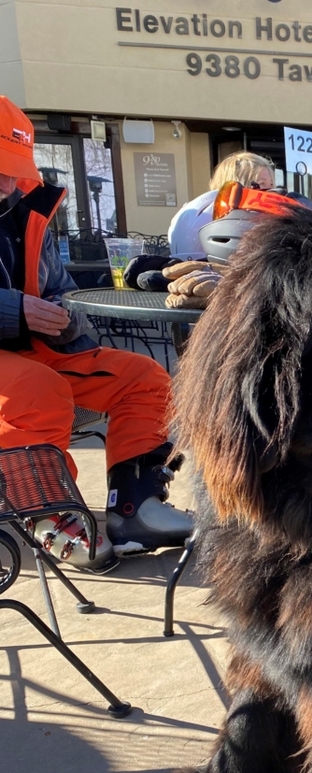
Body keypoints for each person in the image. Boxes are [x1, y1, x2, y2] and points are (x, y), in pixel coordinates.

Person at [0, 95, 193, 571]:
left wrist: (65, 320)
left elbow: (60, 292)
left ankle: (136, 509)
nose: (7, 182)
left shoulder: (27, 215)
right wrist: (14, 310)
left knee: (144, 375)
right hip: (20, 376)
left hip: (35, 354)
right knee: (37, 390)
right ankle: (46, 509)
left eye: (13, 169)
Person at [168, 151, 275, 260]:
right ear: (237, 185)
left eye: (271, 184)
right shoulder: (212, 215)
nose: (272, 191)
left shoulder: (198, 210)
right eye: (261, 184)